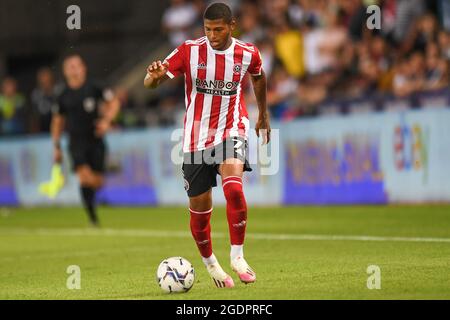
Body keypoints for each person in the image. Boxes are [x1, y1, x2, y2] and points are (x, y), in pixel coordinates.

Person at [144, 2, 271, 288]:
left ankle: (237, 256)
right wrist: (153, 76)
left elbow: (259, 76)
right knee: (200, 213)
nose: (212, 35)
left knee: (234, 189)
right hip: (195, 138)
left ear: (231, 26)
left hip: (231, 129)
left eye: (218, 29)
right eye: (208, 29)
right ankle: (211, 265)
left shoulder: (247, 53)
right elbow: (150, 82)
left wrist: (263, 114)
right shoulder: (189, 51)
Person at [51, 54, 120, 227]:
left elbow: (114, 103)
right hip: (76, 143)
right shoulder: (62, 94)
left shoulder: (95, 87)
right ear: (65, 71)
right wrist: (56, 146)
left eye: (76, 65)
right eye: (70, 66)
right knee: (84, 177)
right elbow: (57, 121)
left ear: (84, 68)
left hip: (96, 139)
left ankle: (93, 210)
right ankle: (92, 217)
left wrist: (106, 121)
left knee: (97, 182)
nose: (74, 69)